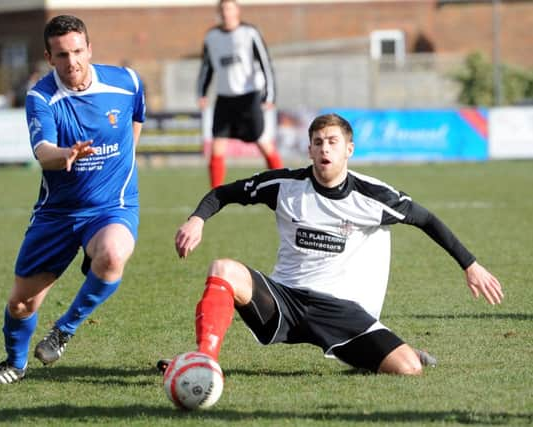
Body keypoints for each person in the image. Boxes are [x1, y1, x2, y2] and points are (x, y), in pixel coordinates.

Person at [158, 113, 504, 376]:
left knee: (408, 368)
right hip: (285, 300)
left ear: (348, 149)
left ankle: (391, 351)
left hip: (343, 311)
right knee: (223, 269)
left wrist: (470, 265)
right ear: (309, 148)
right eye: (318, 141)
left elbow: (426, 219)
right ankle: (203, 360)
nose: (325, 148)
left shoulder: (373, 196)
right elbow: (224, 193)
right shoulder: (284, 185)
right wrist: (197, 219)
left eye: (333, 142)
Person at [0, 14, 146, 384]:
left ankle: (63, 330)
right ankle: (14, 365)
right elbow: (43, 150)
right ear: (49, 57)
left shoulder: (126, 82)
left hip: (110, 207)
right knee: (21, 304)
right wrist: (65, 154)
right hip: (59, 213)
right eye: (62, 55)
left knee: (114, 254)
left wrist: (124, 160)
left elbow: (136, 119)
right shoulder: (41, 96)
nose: (72, 62)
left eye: (78, 51)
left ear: (89, 48)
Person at [197, 0, 283, 188]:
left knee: (262, 141)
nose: (226, 13)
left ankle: (281, 182)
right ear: (219, 13)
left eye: (229, 9)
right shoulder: (211, 37)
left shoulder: (249, 33)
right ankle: (215, 192)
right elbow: (206, 67)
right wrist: (202, 93)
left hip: (249, 96)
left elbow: (265, 64)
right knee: (217, 146)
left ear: (237, 11)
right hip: (224, 99)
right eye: (223, 9)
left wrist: (270, 95)